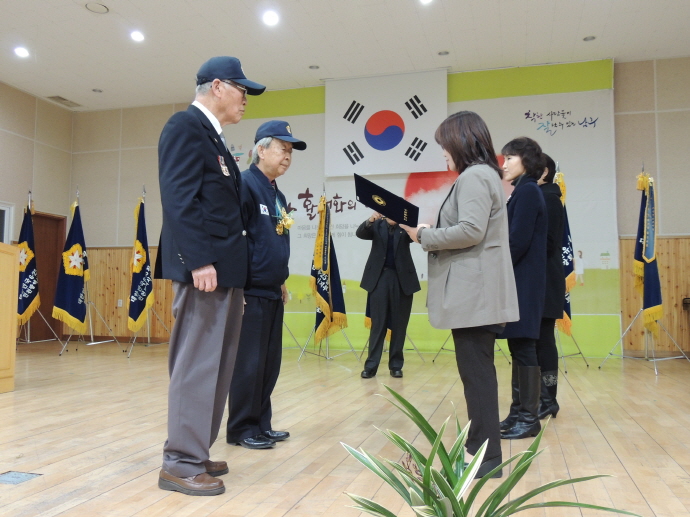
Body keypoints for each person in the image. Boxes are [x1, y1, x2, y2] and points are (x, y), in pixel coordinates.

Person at [154, 56, 265, 496]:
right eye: (242, 90)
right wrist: (200, 261)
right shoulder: (184, 127)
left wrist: (234, 277)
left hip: (224, 276)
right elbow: (178, 200)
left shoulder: (215, 141)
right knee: (196, 366)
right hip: (205, 272)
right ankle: (179, 462)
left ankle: (195, 451)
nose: (245, 101)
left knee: (217, 369)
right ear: (217, 86)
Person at [401, 111, 519, 478]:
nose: (443, 154)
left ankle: (485, 459)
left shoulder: (474, 176)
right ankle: (479, 451)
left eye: (444, 146)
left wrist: (423, 236)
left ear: (461, 142)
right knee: (477, 375)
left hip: (474, 298)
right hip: (477, 297)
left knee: (478, 377)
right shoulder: (483, 176)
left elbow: (469, 230)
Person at [226, 121, 306, 449]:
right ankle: (241, 429)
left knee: (269, 363)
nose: (288, 156)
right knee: (249, 363)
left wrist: (282, 280)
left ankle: (261, 423)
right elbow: (234, 240)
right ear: (261, 150)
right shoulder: (244, 185)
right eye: (282, 149)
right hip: (250, 292)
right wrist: (237, 286)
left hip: (272, 290)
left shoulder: (277, 193)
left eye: (290, 151)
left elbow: (273, 242)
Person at [498, 137, 548, 441]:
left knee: (525, 346)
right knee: (518, 345)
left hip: (524, 283)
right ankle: (517, 413)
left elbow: (517, 242)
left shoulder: (528, 192)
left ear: (525, 161)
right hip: (521, 281)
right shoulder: (523, 191)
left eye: (509, 159)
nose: (504, 164)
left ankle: (529, 418)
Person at [356, 212, 420, 379]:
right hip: (379, 278)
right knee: (378, 324)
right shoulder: (377, 225)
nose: (393, 216)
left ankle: (396, 365)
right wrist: (371, 219)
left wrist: (408, 223)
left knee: (399, 325)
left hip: (402, 280)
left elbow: (417, 238)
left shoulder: (405, 228)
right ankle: (371, 366)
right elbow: (360, 233)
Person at [536, 154, 565, 420]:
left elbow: (546, 243)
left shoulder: (548, 199)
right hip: (539, 281)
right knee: (539, 340)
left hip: (544, 281)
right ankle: (543, 398)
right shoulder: (542, 196)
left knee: (544, 341)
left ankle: (548, 398)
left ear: (543, 172)